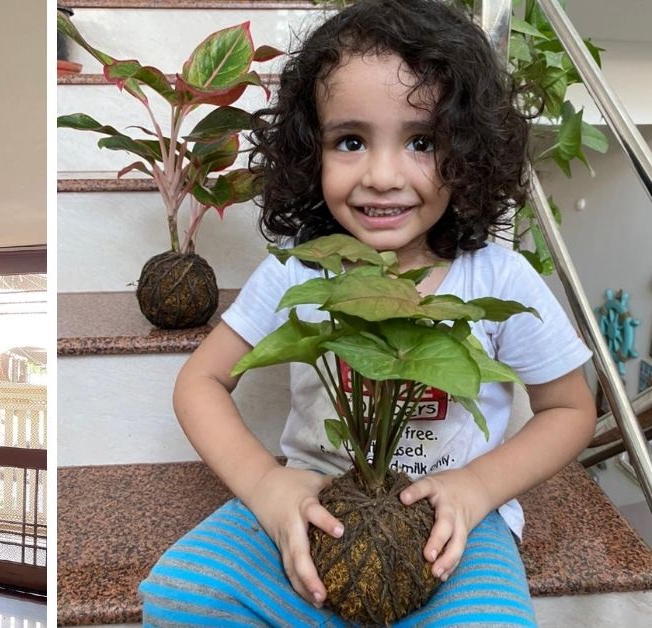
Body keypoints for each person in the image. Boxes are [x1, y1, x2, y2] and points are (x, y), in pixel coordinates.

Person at [139, 1, 595, 625]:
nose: (382, 175)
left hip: (449, 518)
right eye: (350, 141)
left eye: (422, 141)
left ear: (468, 152)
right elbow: (201, 381)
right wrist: (266, 486)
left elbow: (570, 409)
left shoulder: (498, 278)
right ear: (309, 151)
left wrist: (479, 488)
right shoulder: (300, 271)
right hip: (315, 498)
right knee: (180, 594)